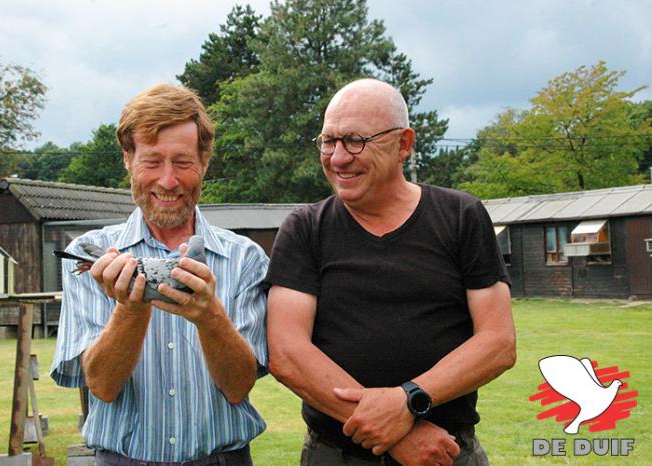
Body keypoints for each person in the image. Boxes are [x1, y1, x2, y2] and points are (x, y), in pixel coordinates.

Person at [265, 78, 516, 466]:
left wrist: (408, 401)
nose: (338, 157)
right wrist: (398, 431)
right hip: (337, 455)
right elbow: (287, 352)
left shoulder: (460, 217)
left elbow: (498, 343)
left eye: (355, 140)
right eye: (328, 141)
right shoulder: (305, 228)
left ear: (404, 144)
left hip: (445, 453)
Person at [50, 83, 269, 466]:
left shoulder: (245, 258)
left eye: (183, 162)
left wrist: (209, 315)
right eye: (152, 161)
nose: (168, 180)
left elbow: (238, 388)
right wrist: (130, 309)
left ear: (204, 162)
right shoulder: (89, 255)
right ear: (127, 159)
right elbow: (100, 386)